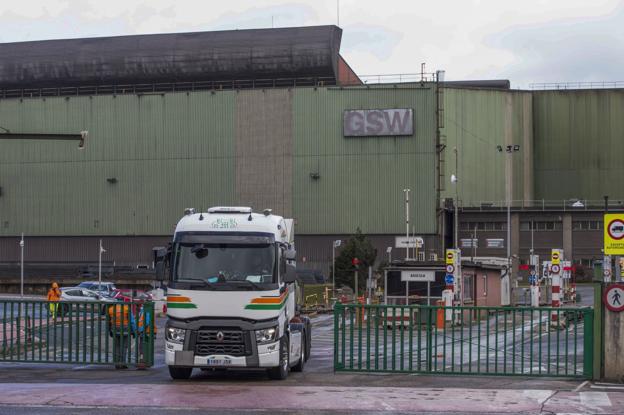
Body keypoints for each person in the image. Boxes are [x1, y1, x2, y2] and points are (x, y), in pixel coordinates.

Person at [107, 302, 134, 369]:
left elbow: (109, 321)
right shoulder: (127, 308)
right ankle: (123, 363)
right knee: (124, 347)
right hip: (125, 329)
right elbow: (131, 321)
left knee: (117, 346)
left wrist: (110, 330)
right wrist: (133, 331)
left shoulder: (111, 309)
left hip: (115, 329)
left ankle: (117, 363)